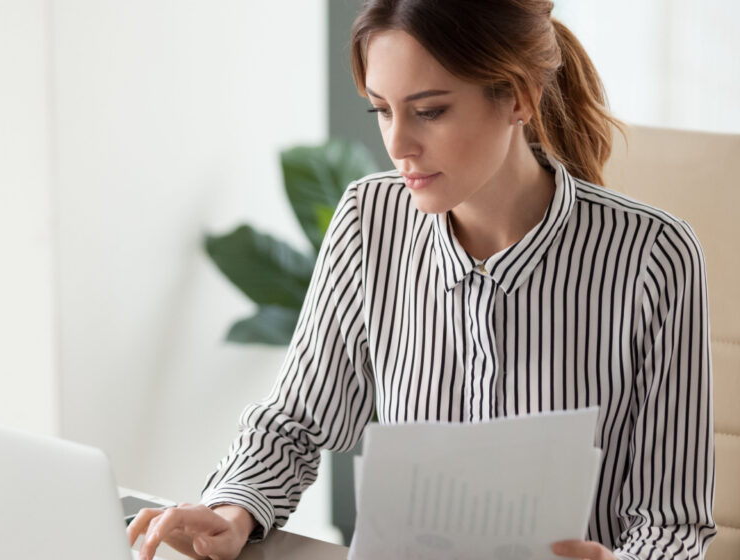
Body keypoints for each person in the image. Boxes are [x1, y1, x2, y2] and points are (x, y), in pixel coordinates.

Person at [127, 1, 717, 559]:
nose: (397, 144)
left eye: (429, 111)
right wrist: (233, 511)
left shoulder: (654, 257)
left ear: (516, 97)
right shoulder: (368, 220)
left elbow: (671, 523)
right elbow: (296, 421)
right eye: (382, 110)